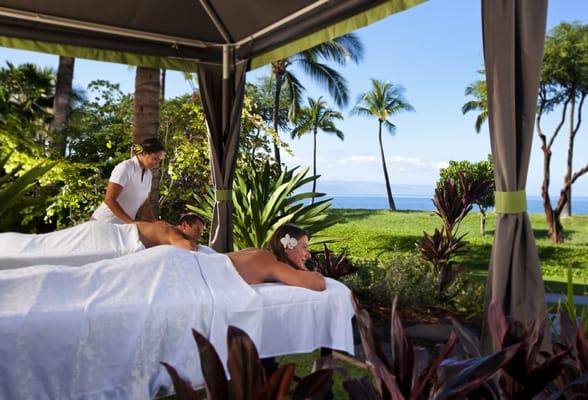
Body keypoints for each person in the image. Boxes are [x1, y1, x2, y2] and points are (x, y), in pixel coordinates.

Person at [0, 213, 206, 269]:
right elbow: (190, 249)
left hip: (103, 232)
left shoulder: (163, 226)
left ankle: (8, 246)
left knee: (47, 244)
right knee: (52, 252)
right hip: (112, 241)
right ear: (184, 225)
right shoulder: (173, 232)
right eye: (196, 230)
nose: (198, 235)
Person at [227, 223, 326, 291]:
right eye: (304, 247)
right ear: (287, 247)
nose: (308, 254)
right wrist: (304, 270)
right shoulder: (269, 261)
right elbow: (319, 283)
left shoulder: (257, 252)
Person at [92, 138, 165, 224]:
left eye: (159, 161)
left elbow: (146, 205)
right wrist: (131, 223)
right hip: (103, 223)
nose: (157, 164)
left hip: (124, 226)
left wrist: (155, 225)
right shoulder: (125, 168)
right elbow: (109, 200)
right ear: (144, 153)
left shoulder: (148, 174)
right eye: (155, 159)